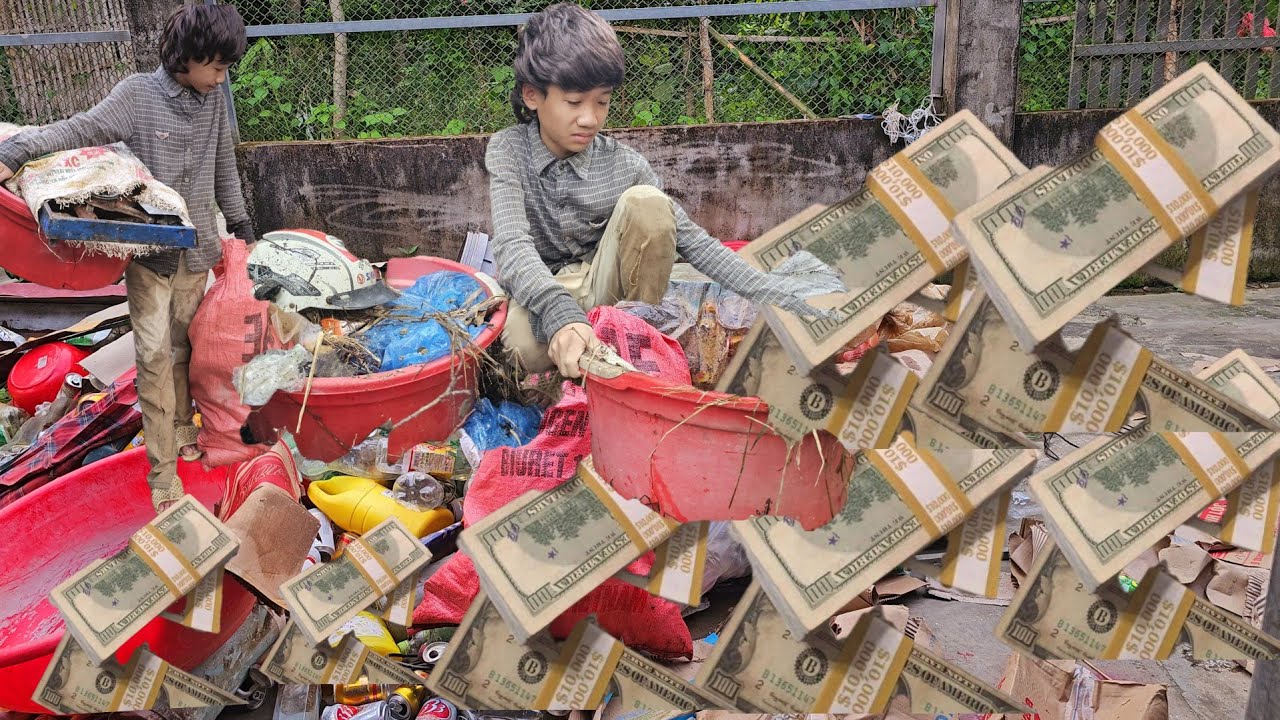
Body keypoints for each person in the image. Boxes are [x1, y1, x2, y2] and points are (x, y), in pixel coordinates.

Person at [0, 4, 255, 511]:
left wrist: (242, 223)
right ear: (190, 56)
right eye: (218, 67)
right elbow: (77, 129)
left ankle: (185, 430)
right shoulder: (138, 96)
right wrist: (13, 153)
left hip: (198, 251)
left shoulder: (211, 101)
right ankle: (163, 476)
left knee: (187, 350)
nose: (222, 77)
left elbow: (224, 164)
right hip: (149, 257)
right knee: (155, 360)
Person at [487, 2, 826, 380]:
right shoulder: (508, 150)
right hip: (541, 289)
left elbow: (696, 243)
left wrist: (776, 295)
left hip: (608, 290)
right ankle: (580, 352)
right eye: (573, 102)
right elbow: (513, 245)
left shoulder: (626, 165)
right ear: (533, 96)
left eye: (602, 101)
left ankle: (633, 342)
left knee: (649, 205)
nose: (590, 118)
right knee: (516, 350)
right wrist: (560, 314)